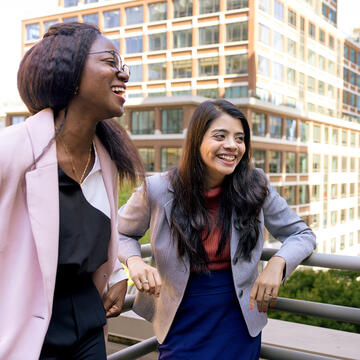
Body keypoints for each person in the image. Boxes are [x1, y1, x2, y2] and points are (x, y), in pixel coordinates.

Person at [118, 99, 316, 359]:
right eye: (220, 136)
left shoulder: (256, 185)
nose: (232, 146)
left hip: (239, 319)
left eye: (240, 138)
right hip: (180, 317)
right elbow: (119, 232)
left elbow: (302, 234)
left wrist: (278, 263)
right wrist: (134, 262)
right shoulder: (157, 189)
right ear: (197, 140)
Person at [0, 22, 144, 360]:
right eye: (111, 62)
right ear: (70, 69)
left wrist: (118, 273)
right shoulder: (12, 150)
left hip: (88, 321)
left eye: (123, 66)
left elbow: (98, 234)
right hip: (25, 325)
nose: (123, 75)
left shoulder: (105, 157)